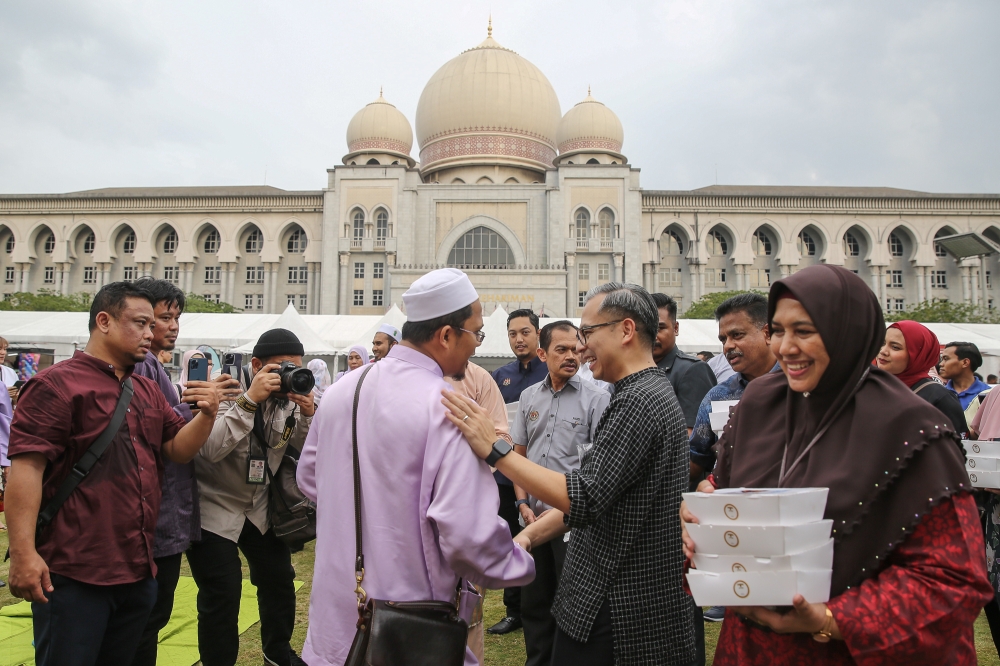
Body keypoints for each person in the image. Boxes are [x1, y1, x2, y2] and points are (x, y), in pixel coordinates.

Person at [681, 264, 992, 664]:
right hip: (753, 647)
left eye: (805, 331)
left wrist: (830, 619)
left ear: (850, 332)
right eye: (778, 331)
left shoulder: (911, 427)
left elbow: (953, 579)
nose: (785, 348)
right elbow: (724, 500)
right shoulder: (759, 405)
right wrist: (704, 525)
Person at [446, 282, 697, 666]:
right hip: (613, 601)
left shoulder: (639, 400)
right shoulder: (638, 393)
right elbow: (600, 499)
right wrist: (527, 538)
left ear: (626, 331)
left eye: (588, 334)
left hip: (620, 608)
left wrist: (494, 450)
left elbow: (585, 496)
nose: (580, 348)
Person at [296, 267, 535, 666]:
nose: (477, 345)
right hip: (408, 631)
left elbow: (309, 477)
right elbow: (466, 536)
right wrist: (519, 556)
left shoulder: (342, 391)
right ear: (446, 335)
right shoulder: (448, 407)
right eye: (476, 332)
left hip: (337, 621)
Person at [5, 281, 221, 666]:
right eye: (140, 323)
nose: (151, 333)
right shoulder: (55, 385)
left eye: (153, 324)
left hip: (137, 567)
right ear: (103, 321)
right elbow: (26, 470)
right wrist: (23, 554)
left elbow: (178, 449)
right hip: (73, 571)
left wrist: (207, 413)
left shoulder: (146, 388)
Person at [186, 328, 315, 666]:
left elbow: (301, 448)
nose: (288, 374)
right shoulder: (223, 388)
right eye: (280, 367)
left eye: (295, 367)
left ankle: (277, 651)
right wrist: (249, 400)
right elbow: (210, 449)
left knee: (279, 580)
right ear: (256, 364)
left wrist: (308, 414)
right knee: (222, 592)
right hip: (215, 504)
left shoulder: (288, 398)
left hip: (258, 506)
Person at [511, 320, 611, 666]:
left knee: (573, 606)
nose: (572, 356)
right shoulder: (528, 398)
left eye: (576, 349)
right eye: (562, 350)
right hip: (532, 519)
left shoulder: (598, 398)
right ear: (542, 353)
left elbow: (598, 469)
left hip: (574, 523)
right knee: (534, 604)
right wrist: (522, 502)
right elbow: (517, 458)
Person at [127, 278, 208, 666]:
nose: (172, 326)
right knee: (142, 623)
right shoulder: (141, 366)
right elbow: (165, 432)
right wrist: (201, 409)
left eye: (177, 317)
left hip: (164, 516)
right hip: (153, 520)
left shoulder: (151, 366)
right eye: (164, 317)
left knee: (148, 621)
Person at [687, 292, 778, 627]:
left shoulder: (800, 387)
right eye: (723, 338)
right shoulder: (719, 394)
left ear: (768, 332)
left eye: (737, 335)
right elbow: (696, 456)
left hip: (787, 524)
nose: (727, 346)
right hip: (732, 525)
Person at [443, 359, 514, 665]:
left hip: (466, 508)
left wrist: (471, 437)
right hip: (411, 515)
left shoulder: (478, 378)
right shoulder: (402, 377)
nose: (476, 343)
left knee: (468, 606)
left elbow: (502, 438)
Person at [488, 308, 549, 635]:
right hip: (505, 477)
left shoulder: (550, 370)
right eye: (513, 333)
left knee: (543, 542)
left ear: (538, 333)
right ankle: (514, 610)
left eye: (525, 332)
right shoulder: (501, 376)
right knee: (510, 540)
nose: (518, 339)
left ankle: (544, 606)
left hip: (542, 474)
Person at [876, 320, 967, 438]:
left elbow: (955, 449)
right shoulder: (872, 388)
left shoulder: (938, 397)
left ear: (918, 354)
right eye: (882, 343)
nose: (883, 351)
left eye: (895, 347)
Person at [651, 293, 717, 431]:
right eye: (646, 329)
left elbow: (692, 435)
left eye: (659, 328)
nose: (653, 336)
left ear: (675, 328)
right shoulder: (634, 371)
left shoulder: (692, 370)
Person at [939, 341, 991, 411]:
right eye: (942, 359)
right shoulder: (939, 394)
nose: (941, 364)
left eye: (946, 359)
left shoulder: (988, 394)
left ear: (965, 362)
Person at [0, 336, 19, 404]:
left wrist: (15, 398)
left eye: (5, 349)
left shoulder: (10, 372)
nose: (3, 352)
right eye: (0, 348)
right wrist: (3, 394)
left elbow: (15, 403)